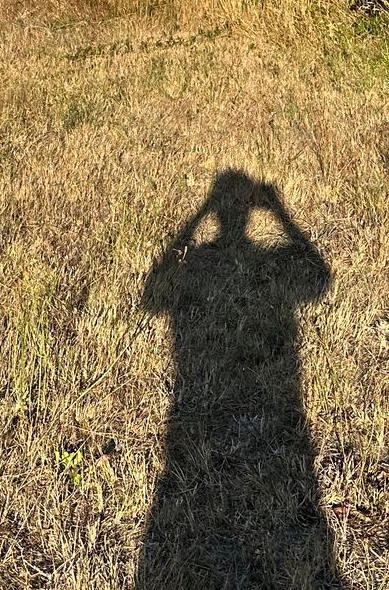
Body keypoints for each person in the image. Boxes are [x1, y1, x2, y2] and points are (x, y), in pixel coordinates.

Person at [137, 170, 343, 588]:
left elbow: (152, 295)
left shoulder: (199, 261)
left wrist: (197, 218)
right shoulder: (265, 264)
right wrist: (282, 215)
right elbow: (319, 280)